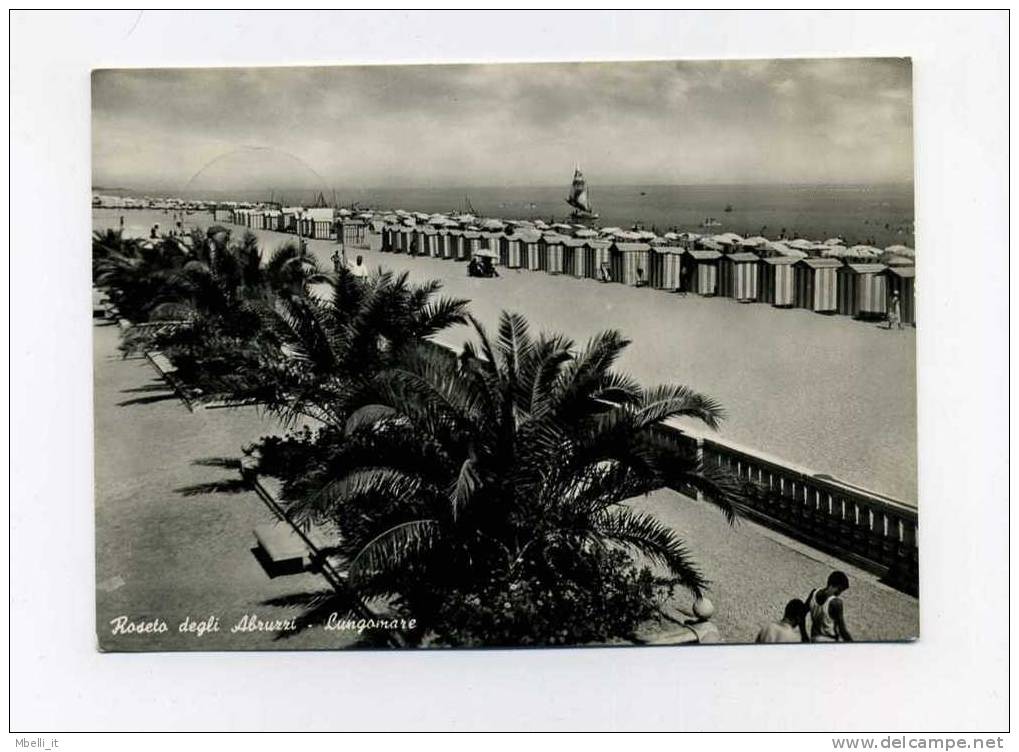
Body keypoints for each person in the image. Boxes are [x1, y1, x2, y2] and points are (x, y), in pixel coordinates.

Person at [806, 571, 853, 642]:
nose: (839, 593)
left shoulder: (814, 593)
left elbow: (802, 613)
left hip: (814, 637)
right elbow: (842, 630)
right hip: (829, 640)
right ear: (833, 585)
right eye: (839, 590)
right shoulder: (836, 602)